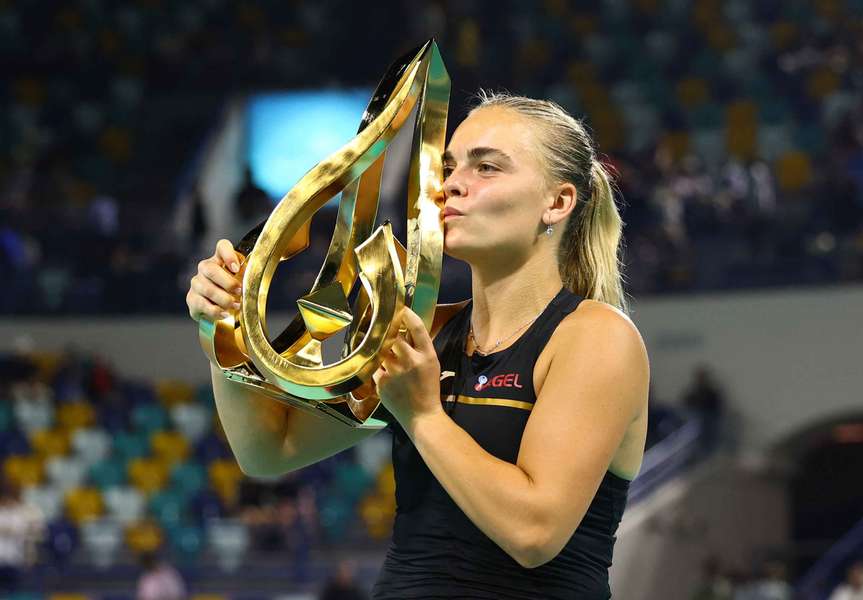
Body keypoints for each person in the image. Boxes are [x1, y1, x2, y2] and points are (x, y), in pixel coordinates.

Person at [187, 91, 650, 599]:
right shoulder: (427, 332)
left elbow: (534, 533)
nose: (451, 184)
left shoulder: (597, 337)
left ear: (557, 202)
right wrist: (224, 330)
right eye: (449, 166)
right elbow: (270, 451)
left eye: (486, 167)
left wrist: (424, 415)